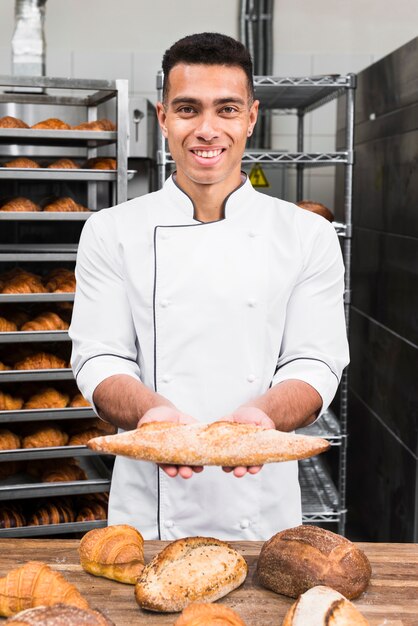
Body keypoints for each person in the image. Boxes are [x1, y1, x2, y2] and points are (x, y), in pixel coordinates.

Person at [69, 32, 349, 540]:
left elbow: (316, 362)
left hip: (262, 515)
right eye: (187, 109)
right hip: (148, 517)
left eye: (226, 109)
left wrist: (260, 420)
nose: (206, 129)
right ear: (162, 117)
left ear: (251, 117)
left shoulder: (307, 235)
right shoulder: (110, 231)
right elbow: (99, 358)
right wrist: (152, 415)